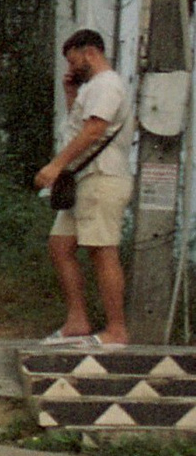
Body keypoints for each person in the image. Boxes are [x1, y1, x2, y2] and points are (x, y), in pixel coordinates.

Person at [33, 28, 134, 347]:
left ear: (90, 52)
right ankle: (78, 320)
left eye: (73, 60)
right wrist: (70, 94)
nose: (71, 68)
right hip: (83, 181)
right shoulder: (92, 88)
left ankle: (117, 329)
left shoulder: (108, 84)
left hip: (102, 178)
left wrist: (56, 165)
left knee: (102, 250)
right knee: (60, 245)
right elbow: (77, 124)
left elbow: (94, 130)